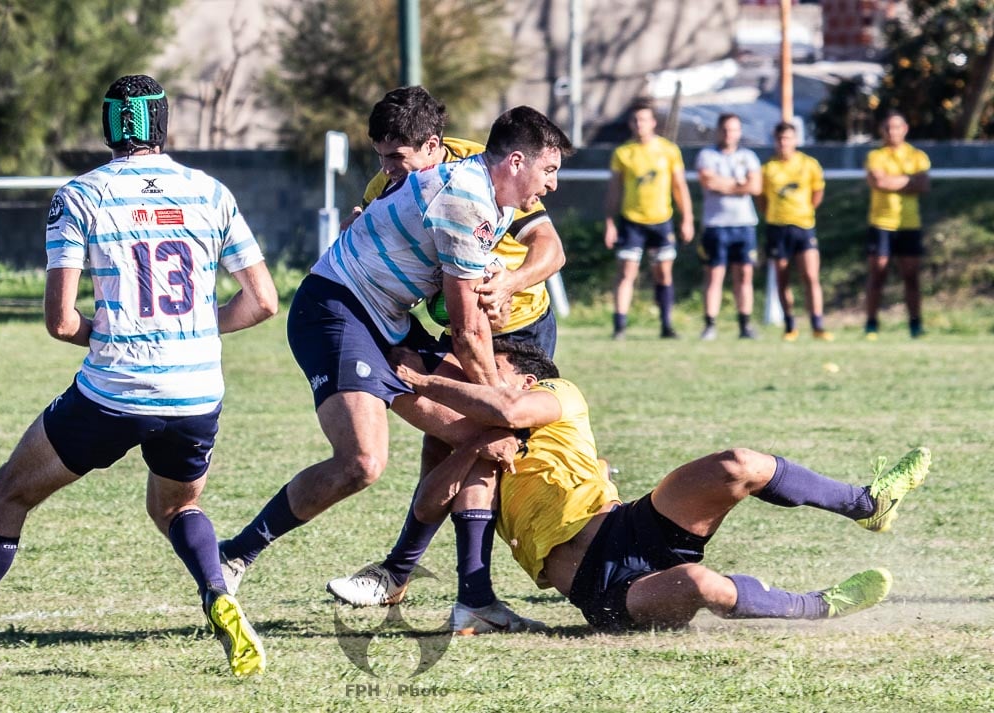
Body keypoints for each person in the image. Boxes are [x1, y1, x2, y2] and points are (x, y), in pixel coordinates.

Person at [0, 75, 278, 677]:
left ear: (109, 125)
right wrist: (190, 331)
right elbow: (264, 302)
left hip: (115, 390)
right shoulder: (211, 192)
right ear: (164, 124)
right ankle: (218, 593)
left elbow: (62, 322)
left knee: (11, 491)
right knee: (176, 508)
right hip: (195, 392)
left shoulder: (80, 195)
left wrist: (120, 331)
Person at [217, 107, 575, 627]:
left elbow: (477, 283)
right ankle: (234, 555)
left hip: (384, 317)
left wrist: (499, 293)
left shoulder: (487, 195)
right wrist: (502, 407)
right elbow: (466, 328)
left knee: (476, 436)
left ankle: (471, 599)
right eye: (549, 170)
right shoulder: (467, 198)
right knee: (363, 462)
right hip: (337, 312)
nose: (554, 184)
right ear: (517, 161)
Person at [381, 339, 930, 632]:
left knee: (737, 463)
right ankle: (818, 607)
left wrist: (426, 379)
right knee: (697, 583)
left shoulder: (555, 394)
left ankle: (868, 502)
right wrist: (473, 446)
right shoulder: (481, 446)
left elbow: (506, 405)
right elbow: (431, 502)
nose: (473, 381)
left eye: (487, 369)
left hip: (628, 523)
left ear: (526, 378)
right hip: (599, 588)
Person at [348, 86, 566, 357]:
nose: (386, 168)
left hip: (521, 324)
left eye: (396, 157)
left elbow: (551, 247)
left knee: (500, 399)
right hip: (459, 325)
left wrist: (509, 284)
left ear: (431, 145)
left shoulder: (484, 169)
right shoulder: (386, 184)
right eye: (380, 155)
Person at [604, 99, 694, 340]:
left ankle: (666, 325)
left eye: (643, 119)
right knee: (626, 273)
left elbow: (680, 187)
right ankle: (619, 326)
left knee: (663, 274)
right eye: (635, 120)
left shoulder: (668, 150)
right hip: (632, 222)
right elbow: (614, 190)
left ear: (653, 122)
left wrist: (687, 219)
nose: (639, 124)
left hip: (661, 220)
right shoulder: (623, 153)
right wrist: (610, 223)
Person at [759, 122, 833, 342]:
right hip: (777, 228)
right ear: (775, 140)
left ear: (796, 140)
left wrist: (804, 211)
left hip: (803, 226)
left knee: (810, 275)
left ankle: (817, 324)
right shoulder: (768, 168)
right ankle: (790, 325)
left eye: (788, 138)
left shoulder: (809, 164)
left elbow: (817, 193)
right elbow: (762, 200)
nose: (784, 143)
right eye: (780, 139)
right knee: (782, 278)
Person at [864, 111, 931, 339]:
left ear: (905, 130)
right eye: (888, 128)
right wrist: (907, 181)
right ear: (882, 131)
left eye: (896, 127)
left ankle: (915, 324)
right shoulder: (876, 155)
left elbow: (923, 184)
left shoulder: (917, 156)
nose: (892, 132)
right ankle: (871, 324)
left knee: (911, 276)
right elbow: (878, 181)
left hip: (909, 224)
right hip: (881, 223)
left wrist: (893, 182)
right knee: (878, 274)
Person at [695, 114, 762, 340]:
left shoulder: (748, 156)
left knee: (744, 274)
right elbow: (709, 182)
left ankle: (744, 324)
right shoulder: (707, 155)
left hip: (744, 224)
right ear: (718, 130)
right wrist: (738, 185)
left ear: (739, 132)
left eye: (733, 130)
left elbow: (755, 186)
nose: (729, 134)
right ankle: (710, 324)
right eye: (725, 129)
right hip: (716, 225)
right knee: (714, 275)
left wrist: (725, 185)